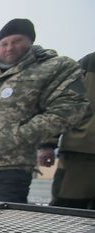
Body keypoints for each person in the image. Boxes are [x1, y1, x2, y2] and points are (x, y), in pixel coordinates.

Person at [0, 18, 92, 203]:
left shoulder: (52, 69)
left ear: (30, 42)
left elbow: (68, 108)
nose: (9, 47)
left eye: (17, 41)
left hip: (10, 167)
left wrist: (20, 135)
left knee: (3, 227)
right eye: (4, 44)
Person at [46, 51, 95, 209]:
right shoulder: (87, 64)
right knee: (67, 211)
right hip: (81, 154)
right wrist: (48, 143)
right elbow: (61, 106)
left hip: (82, 151)